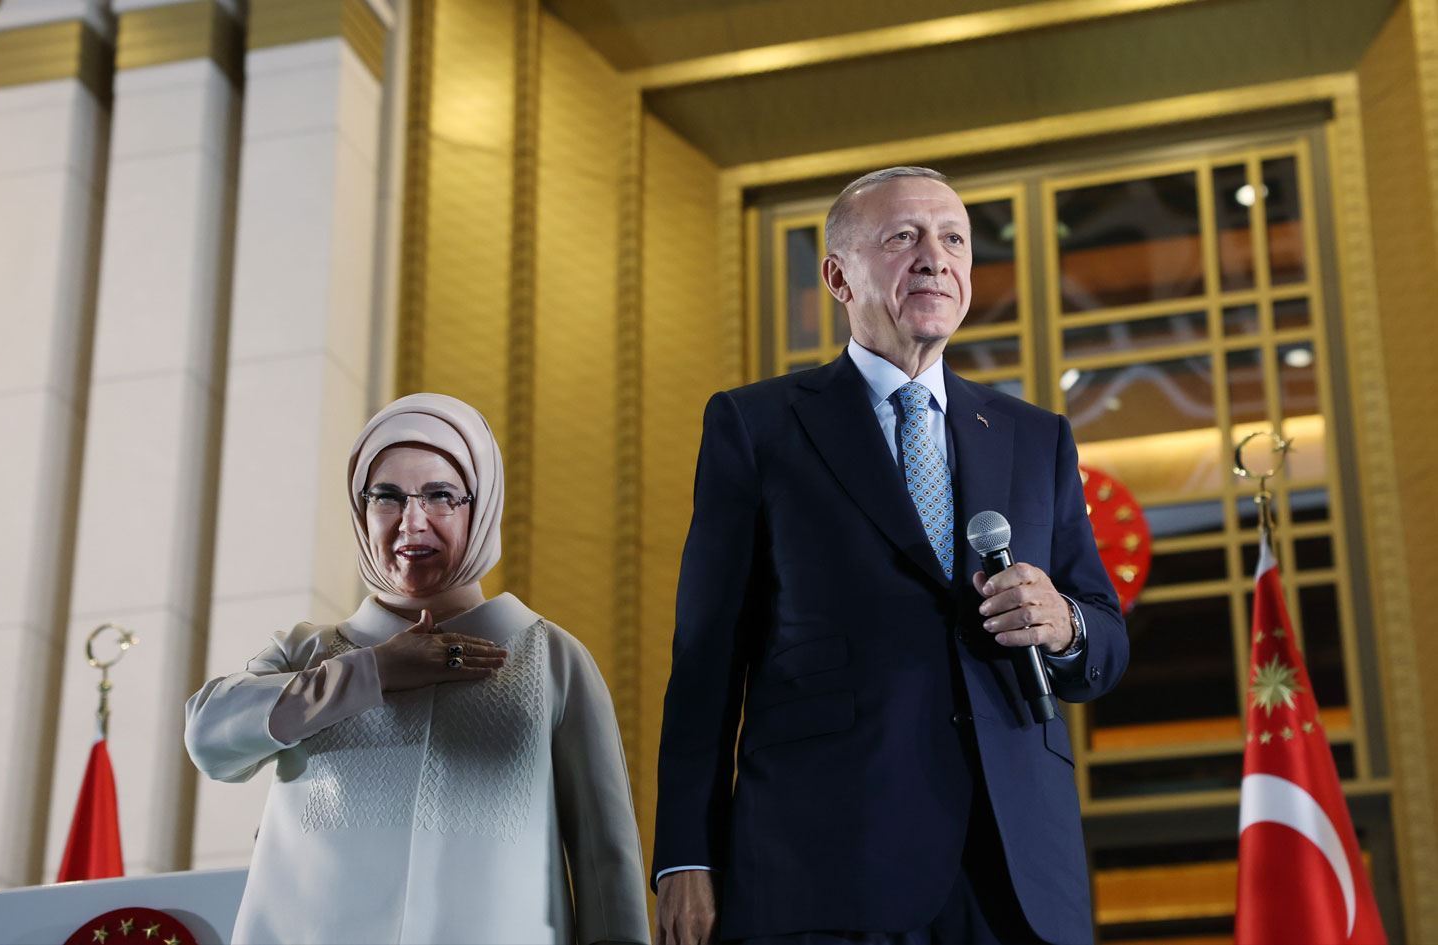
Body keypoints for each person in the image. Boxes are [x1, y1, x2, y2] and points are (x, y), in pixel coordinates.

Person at [652, 167, 1128, 945]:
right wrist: (686, 854)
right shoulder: (757, 426)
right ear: (839, 276)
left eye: (954, 240)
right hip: (826, 865)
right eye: (904, 236)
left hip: (1014, 871)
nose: (935, 257)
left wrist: (1065, 622)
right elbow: (706, 658)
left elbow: (1105, 635)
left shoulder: (1035, 436)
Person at [185, 393, 650, 945]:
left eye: (440, 496)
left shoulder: (551, 657)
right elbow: (209, 738)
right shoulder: (308, 651)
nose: (412, 521)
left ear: (481, 507)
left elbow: (605, 863)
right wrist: (373, 671)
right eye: (386, 497)